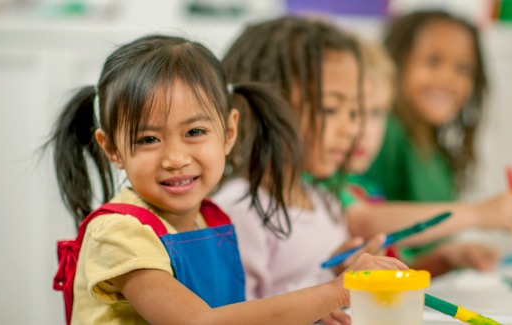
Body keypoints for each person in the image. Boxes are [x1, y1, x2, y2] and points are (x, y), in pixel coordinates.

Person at [47, 34, 406, 325]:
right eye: (148, 140)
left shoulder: (210, 218)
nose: (175, 158)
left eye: (195, 131)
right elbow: (199, 322)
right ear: (111, 148)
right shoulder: (118, 232)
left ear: (229, 131)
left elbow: (243, 313)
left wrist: (317, 300)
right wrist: (335, 292)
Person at [214, 16, 373, 303]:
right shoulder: (240, 208)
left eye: (353, 112)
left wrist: (347, 271)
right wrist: (332, 284)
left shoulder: (323, 200)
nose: (350, 129)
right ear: (266, 106)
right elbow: (238, 314)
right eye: (329, 109)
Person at [360, 11, 512, 273]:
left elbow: (408, 268)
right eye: (433, 61)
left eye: (463, 68)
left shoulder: (436, 150)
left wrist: (448, 257)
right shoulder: (383, 135)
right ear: (395, 64)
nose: (448, 78)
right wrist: (478, 214)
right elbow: (367, 230)